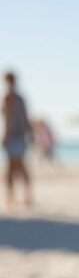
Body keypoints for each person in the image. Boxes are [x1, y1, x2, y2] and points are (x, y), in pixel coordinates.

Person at [2, 71, 33, 208]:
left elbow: (8, 120)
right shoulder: (21, 98)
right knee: (19, 166)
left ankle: (13, 196)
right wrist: (30, 135)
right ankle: (25, 196)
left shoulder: (9, 98)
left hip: (14, 136)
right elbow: (26, 119)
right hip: (21, 137)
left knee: (13, 167)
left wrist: (5, 137)